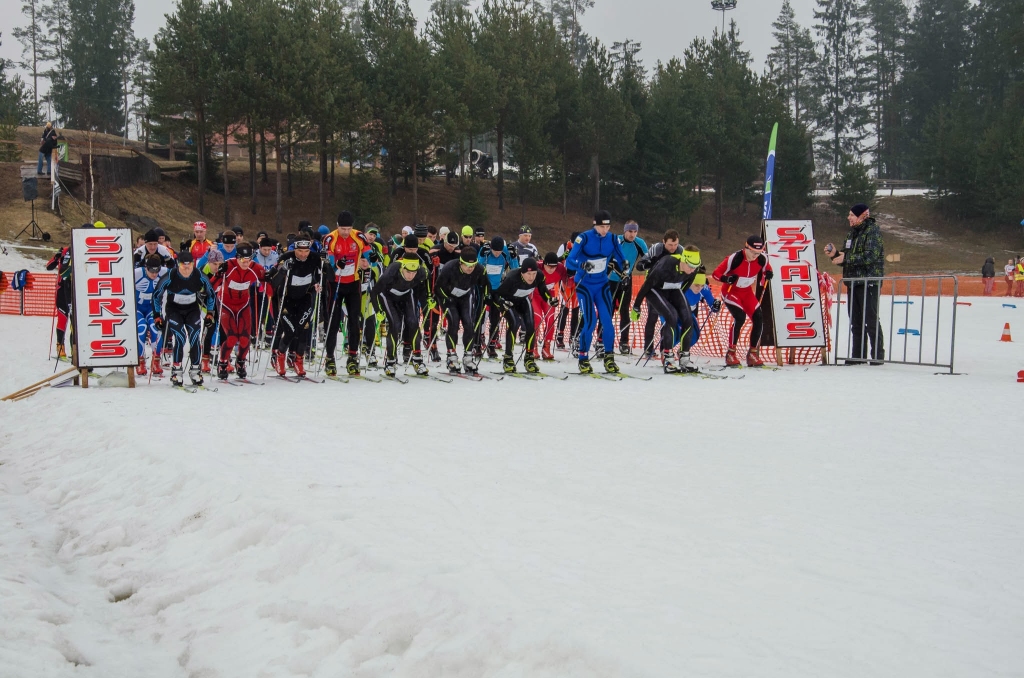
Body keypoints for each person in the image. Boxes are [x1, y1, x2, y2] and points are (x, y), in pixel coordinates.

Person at [565, 210, 627, 374]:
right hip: (584, 285)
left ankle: (609, 359)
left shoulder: (613, 239)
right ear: (594, 224)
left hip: (602, 285)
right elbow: (569, 261)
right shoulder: (584, 238)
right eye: (601, 226)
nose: (604, 230)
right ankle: (583, 358)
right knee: (590, 322)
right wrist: (581, 265)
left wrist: (625, 268)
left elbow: (621, 258)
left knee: (608, 323)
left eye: (607, 226)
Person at [824, 203, 884, 365]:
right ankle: (858, 355)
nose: (848, 217)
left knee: (870, 319)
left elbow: (870, 256)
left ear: (862, 216)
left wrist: (846, 258)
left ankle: (877, 355)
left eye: (852, 215)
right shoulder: (852, 233)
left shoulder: (872, 231)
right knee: (856, 320)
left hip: (869, 281)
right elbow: (847, 256)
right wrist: (835, 254)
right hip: (853, 282)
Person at [268, 238, 332, 378]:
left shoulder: (314, 258)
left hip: (305, 298)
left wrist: (326, 263)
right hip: (287, 299)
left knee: (304, 331)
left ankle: (298, 360)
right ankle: (280, 357)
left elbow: (330, 277)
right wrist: (283, 269)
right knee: (290, 332)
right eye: (300, 251)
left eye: (306, 251)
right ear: (294, 249)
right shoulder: (286, 257)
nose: (303, 254)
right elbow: (273, 283)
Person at [153, 250, 216, 387]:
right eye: (183, 267)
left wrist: (210, 313)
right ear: (178, 264)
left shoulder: (198, 275)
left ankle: (195, 370)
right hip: (174, 309)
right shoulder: (171, 275)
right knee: (180, 337)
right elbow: (156, 295)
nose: (187, 270)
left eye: (189, 266)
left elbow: (211, 294)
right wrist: (157, 316)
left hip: (192, 309)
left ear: (193, 264)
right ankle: (176, 370)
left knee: (195, 337)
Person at [631, 248, 700, 373]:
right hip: (654, 289)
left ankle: (685, 358)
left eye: (696, 266)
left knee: (688, 319)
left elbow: (684, 288)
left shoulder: (693, 270)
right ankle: (668, 357)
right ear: (683, 260)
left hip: (673, 289)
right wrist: (636, 306)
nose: (692, 270)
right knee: (671, 317)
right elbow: (647, 284)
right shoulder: (667, 264)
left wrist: (679, 305)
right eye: (690, 266)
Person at [322, 211, 371, 376]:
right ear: (337, 226)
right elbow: (328, 263)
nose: (345, 232)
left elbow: (368, 254)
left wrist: (366, 261)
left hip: (353, 283)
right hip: (335, 284)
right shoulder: (330, 238)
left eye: (348, 228)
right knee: (333, 322)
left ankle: (352, 357)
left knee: (354, 322)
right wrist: (337, 264)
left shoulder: (358, 236)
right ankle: (329, 358)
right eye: (343, 228)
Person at [713, 235, 774, 367]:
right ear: (746, 247)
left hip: (746, 293)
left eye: (758, 253)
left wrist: (768, 273)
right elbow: (716, 273)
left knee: (758, 317)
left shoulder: (762, 258)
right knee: (739, 317)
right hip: (730, 291)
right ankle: (731, 353)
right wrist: (726, 278)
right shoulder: (734, 258)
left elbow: (767, 269)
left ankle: (752, 353)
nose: (755, 255)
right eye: (752, 252)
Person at [370, 254, 430, 378]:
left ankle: (417, 360)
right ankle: (390, 362)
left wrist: (429, 296)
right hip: (387, 296)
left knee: (413, 323)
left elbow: (428, 279)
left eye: (414, 273)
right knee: (395, 325)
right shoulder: (392, 271)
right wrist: (378, 310)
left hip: (406, 294)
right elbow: (375, 291)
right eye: (408, 272)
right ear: (402, 267)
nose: (411, 276)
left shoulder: (421, 272)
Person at [210, 243, 264, 380]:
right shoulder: (228, 265)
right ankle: (222, 363)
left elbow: (267, 281)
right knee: (232, 337)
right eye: (242, 260)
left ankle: (241, 362)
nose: (246, 263)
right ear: (237, 258)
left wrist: (270, 281)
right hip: (226, 303)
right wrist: (207, 294)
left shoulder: (255, 268)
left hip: (243, 304)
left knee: (245, 339)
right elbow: (213, 283)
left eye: (248, 260)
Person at [491, 257, 553, 374]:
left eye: (533, 273)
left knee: (530, 326)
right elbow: (497, 295)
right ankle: (508, 358)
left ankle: (529, 359)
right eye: (528, 274)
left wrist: (550, 300)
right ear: (522, 272)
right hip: (507, 301)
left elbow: (543, 289)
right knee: (514, 324)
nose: (531, 277)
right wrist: (502, 303)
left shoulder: (539, 276)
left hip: (522, 300)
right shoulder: (512, 278)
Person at [435, 244, 490, 374]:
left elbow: (486, 284)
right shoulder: (449, 267)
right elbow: (438, 288)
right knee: (453, 323)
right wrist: (444, 298)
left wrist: (487, 295)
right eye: (467, 265)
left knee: (469, 324)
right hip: (449, 297)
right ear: (460, 263)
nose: (470, 268)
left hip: (465, 296)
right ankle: (452, 357)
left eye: (473, 266)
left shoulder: (479, 269)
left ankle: (468, 357)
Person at [635, 230, 682, 360]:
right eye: (670, 245)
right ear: (664, 242)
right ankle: (648, 349)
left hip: (670, 288)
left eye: (675, 244)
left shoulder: (681, 251)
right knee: (652, 317)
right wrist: (646, 264)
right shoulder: (656, 249)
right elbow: (641, 264)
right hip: (653, 288)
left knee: (667, 318)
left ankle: (664, 349)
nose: (673, 248)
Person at [609, 220, 648, 354]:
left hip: (627, 280)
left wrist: (647, 266)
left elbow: (647, 259)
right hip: (611, 279)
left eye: (635, 231)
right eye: (630, 231)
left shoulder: (639, 243)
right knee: (608, 309)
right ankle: (602, 340)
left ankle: (624, 342)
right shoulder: (617, 240)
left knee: (625, 310)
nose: (632, 234)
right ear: (624, 231)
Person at [477, 236, 519, 358]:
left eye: (499, 252)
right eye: (495, 251)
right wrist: (481, 256)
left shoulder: (505, 252)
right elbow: (477, 267)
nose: (497, 254)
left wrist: (514, 257)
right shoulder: (485, 251)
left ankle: (492, 345)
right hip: (483, 288)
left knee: (495, 318)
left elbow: (515, 269)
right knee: (480, 317)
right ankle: (477, 344)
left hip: (497, 290)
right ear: (491, 248)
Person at [134, 254, 167, 377]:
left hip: (152, 308)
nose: (154, 274)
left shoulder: (163, 272)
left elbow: (179, 273)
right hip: (138, 308)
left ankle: (156, 360)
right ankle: (140, 361)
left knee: (156, 328)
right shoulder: (137, 273)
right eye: (151, 271)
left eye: (157, 271)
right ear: (146, 268)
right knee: (141, 328)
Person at [683, 266, 721, 360]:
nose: (699, 288)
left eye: (701, 285)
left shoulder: (704, 288)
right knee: (675, 333)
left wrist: (716, 306)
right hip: (675, 311)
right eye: (696, 285)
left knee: (694, 336)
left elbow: (712, 305)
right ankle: (666, 353)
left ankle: (683, 353)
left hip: (689, 312)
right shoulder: (683, 286)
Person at [535, 252, 568, 360]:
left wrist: (574, 273)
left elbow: (568, 282)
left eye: (554, 266)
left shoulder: (560, 268)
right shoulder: (538, 266)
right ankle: (533, 346)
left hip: (549, 296)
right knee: (537, 318)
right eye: (549, 266)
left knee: (550, 320)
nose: (551, 269)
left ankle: (546, 347)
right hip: (535, 295)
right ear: (544, 264)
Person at [45, 239, 74, 360]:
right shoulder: (66, 251)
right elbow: (49, 266)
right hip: (62, 289)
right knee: (63, 317)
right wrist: (57, 256)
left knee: (75, 321)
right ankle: (60, 349)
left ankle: (75, 352)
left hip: (75, 290)